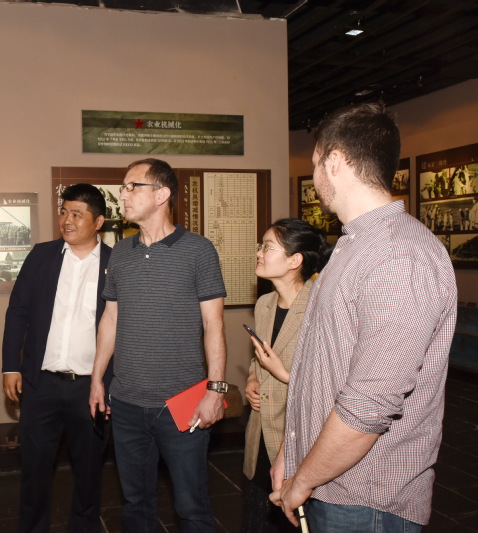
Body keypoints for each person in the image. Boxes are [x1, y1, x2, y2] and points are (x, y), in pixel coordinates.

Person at [270, 103, 457, 532]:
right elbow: (322, 369)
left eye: (315, 163)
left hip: (364, 500)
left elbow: (368, 404)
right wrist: (290, 455)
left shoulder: (398, 256)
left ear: (334, 161)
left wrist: (303, 479)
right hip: (329, 480)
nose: (315, 176)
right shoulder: (356, 244)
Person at [89, 158, 227, 532]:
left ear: (162, 194)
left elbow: (214, 324)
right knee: (135, 504)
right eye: (123, 187)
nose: (123, 195)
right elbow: (110, 319)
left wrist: (215, 390)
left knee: (192, 507)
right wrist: (97, 378)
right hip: (127, 403)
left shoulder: (198, 250)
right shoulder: (120, 252)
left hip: (183, 402)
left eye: (132, 186)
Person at [2, 183, 112, 533]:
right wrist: (11, 366)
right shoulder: (42, 255)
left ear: (98, 222)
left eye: (77, 214)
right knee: (34, 471)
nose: (67, 220)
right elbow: (17, 311)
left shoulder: (116, 263)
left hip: (92, 390)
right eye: (64, 212)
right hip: (41, 385)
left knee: (89, 471)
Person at [242, 218, 331, 533]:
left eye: (267, 247)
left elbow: (330, 382)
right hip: (261, 435)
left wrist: (282, 373)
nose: (259, 253)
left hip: (298, 439)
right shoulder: (264, 303)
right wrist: (253, 380)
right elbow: (260, 359)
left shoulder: (321, 307)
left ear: (295, 261)